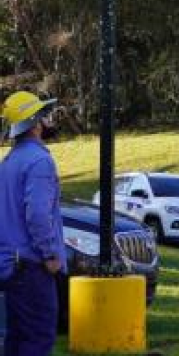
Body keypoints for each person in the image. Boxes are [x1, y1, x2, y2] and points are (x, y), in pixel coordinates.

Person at [1, 91, 65, 356]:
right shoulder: (40, 161)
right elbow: (38, 215)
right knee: (38, 338)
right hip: (32, 266)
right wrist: (50, 254)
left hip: (9, 265)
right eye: (43, 115)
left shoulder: (9, 162)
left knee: (15, 339)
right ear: (36, 123)